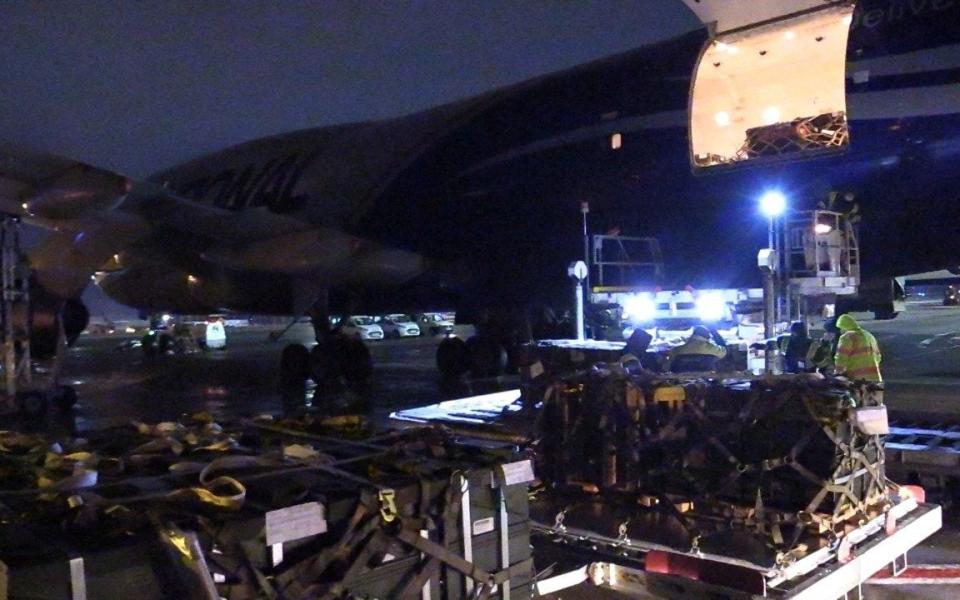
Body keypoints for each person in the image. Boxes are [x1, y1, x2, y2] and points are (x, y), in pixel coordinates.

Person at [834, 314, 882, 382]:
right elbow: (878, 357)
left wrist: (838, 373)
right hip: (874, 377)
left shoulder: (847, 337)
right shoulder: (869, 335)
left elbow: (841, 357)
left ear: (844, 327)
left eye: (840, 328)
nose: (840, 331)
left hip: (856, 379)